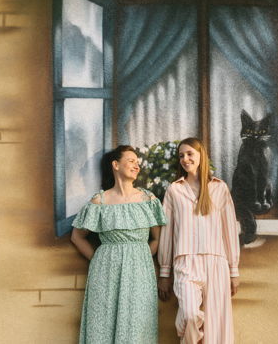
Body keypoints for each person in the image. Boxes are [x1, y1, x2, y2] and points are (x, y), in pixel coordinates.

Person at [71, 145, 166, 344]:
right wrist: (98, 259)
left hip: (139, 273)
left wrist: (140, 258)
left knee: (137, 327)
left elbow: (157, 239)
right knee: (102, 325)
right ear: (115, 165)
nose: (136, 165)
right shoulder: (100, 202)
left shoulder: (148, 200)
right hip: (105, 272)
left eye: (137, 162)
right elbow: (77, 237)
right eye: (131, 161)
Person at [157, 137, 240, 344]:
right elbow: (167, 232)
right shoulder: (174, 190)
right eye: (181, 156)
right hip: (185, 262)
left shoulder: (219, 188)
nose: (185, 159)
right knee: (190, 314)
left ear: (201, 155)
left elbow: (229, 230)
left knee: (217, 327)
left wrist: (234, 270)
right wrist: (165, 272)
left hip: (216, 262)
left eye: (189, 154)